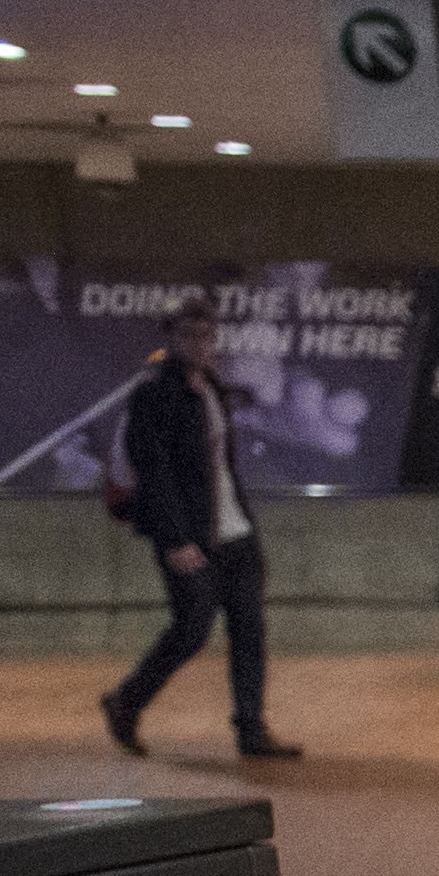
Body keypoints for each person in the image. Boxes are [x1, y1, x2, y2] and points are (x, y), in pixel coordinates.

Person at [101, 295, 300, 762]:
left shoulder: (213, 390)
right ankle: (125, 702)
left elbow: (222, 469)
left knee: (249, 630)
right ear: (171, 340)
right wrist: (175, 539)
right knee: (191, 628)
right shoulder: (154, 396)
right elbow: (154, 474)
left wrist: (243, 521)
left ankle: (251, 730)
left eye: (207, 335)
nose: (199, 344)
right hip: (190, 538)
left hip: (237, 534)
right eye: (188, 335)